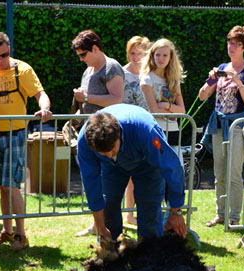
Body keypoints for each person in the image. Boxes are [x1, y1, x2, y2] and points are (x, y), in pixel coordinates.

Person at [0, 31, 52, 251]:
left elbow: (40, 94)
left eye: (4, 55)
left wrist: (45, 109)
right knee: (2, 186)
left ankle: (21, 234)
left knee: (12, 187)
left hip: (15, 134)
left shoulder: (23, 70)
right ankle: (7, 231)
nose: (0, 60)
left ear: (9, 50)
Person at [76, 104, 186, 241]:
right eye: (103, 153)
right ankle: (111, 256)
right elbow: (90, 182)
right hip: (111, 168)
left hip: (147, 165)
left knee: (149, 211)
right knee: (108, 208)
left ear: (119, 135)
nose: (110, 155)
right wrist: (99, 225)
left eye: (112, 149)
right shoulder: (84, 141)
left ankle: (149, 257)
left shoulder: (145, 130)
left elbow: (172, 168)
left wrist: (176, 211)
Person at [198, 25, 244, 228]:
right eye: (229, 42)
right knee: (219, 174)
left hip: (237, 128)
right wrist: (211, 79)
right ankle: (220, 214)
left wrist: (238, 82)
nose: (231, 47)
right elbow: (202, 96)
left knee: (234, 174)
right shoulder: (222, 66)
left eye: (237, 44)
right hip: (218, 126)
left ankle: (234, 217)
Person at [71, 29, 125, 237]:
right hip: (90, 134)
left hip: (107, 136)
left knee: (106, 185)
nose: (81, 59)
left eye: (83, 55)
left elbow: (117, 99)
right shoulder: (89, 70)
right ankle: (97, 225)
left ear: (95, 48)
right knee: (91, 181)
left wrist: (87, 97)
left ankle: (107, 228)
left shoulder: (111, 67)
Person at [140, 38, 186, 162]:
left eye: (165, 55)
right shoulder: (147, 79)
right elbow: (154, 112)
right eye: (158, 55)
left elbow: (182, 111)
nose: (161, 58)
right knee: (157, 171)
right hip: (155, 130)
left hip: (173, 130)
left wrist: (165, 105)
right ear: (152, 56)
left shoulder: (174, 80)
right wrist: (172, 109)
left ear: (171, 57)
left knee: (176, 169)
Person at [121, 35, 150, 225]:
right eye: (132, 52)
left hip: (146, 125)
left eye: (140, 53)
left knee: (145, 171)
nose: (136, 57)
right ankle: (128, 213)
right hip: (127, 126)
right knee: (128, 174)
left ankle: (142, 212)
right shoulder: (121, 73)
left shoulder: (150, 73)